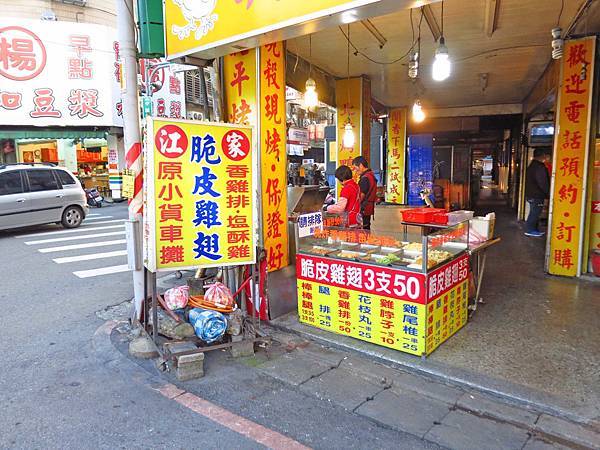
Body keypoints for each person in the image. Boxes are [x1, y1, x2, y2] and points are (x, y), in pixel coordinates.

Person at [524, 148, 550, 237]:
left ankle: (534, 229)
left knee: (534, 212)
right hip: (537, 195)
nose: (547, 157)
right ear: (542, 155)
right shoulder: (540, 167)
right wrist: (548, 193)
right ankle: (530, 230)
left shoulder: (532, 166)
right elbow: (542, 182)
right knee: (535, 213)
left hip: (531, 194)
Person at [352, 156, 378, 230]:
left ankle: (365, 241)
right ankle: (366, 240)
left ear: (360, 165)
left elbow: (360, 197)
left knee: (363, 229)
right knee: (366, 227)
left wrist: (353, 207)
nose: (355, 171)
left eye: (355, 168)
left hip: (364, 208)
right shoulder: (371, 175)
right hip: (368, 208)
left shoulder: (365, 178)